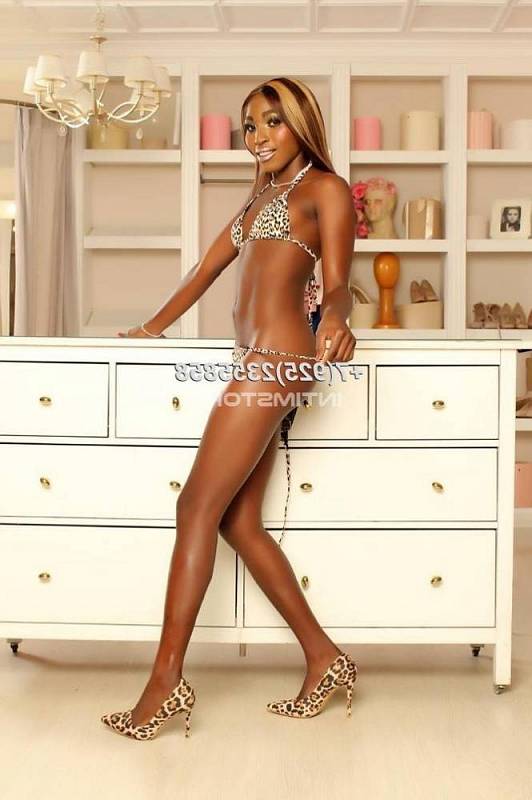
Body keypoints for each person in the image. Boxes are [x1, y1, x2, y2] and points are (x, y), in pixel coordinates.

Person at [101, 76, 358, 741]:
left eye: (272, 121)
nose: (258, 136)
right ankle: (324, 657)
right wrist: (150, 328)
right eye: (249, 125)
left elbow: (338, 282)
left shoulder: (325, 190)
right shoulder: (258, 199)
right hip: (257, 361)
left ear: (302, 123)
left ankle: (165, 681)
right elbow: (203, 271)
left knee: (195, 506)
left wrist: (336, 318)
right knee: (238, 521)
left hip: (279, 360)